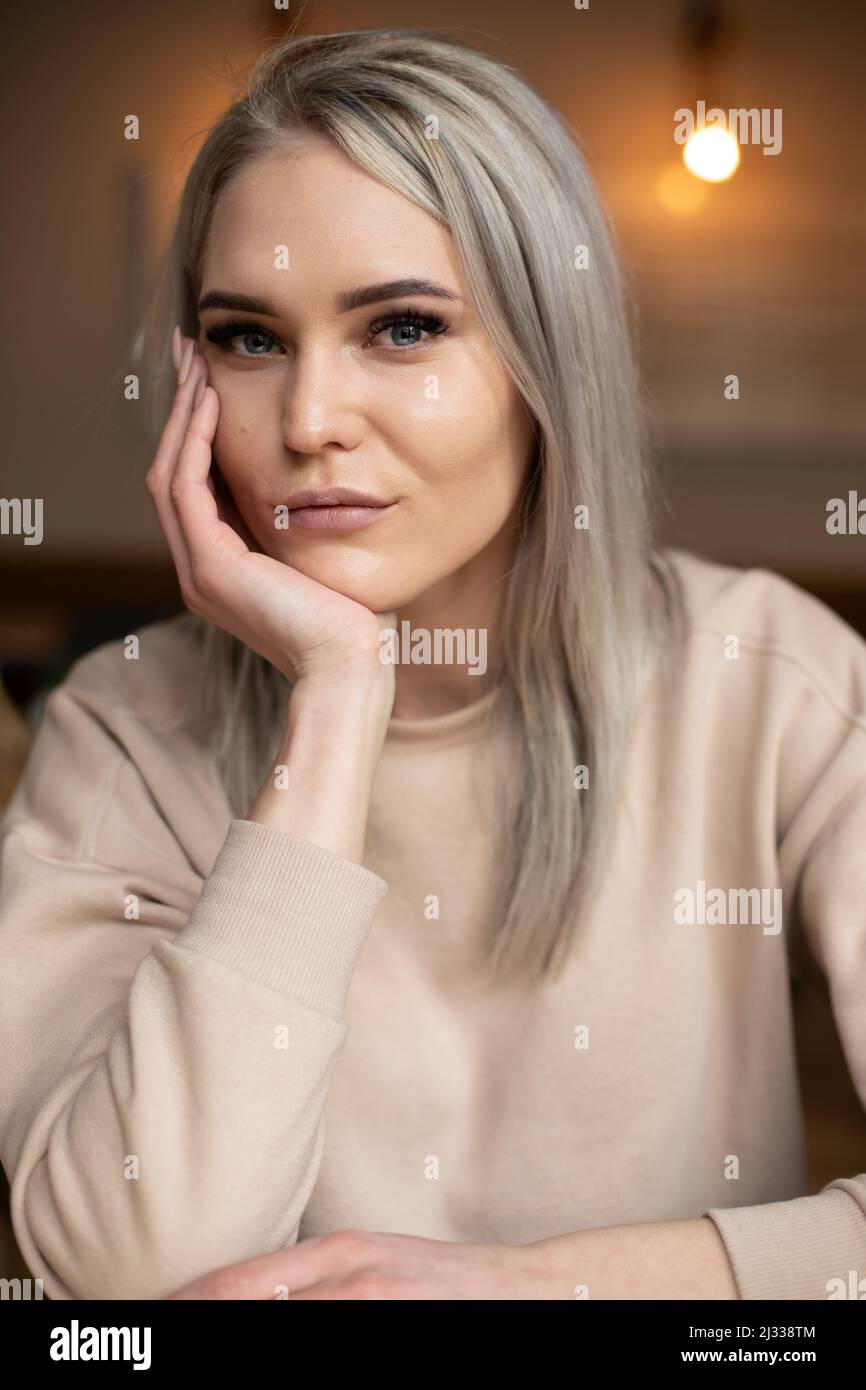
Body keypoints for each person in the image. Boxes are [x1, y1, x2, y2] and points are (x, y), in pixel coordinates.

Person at [1, 27, 864, 1302]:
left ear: (544, 363)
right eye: (248, 338)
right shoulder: (122, 726)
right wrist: (339, 697)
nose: (306, 422)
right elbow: (121, 1279)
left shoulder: (772, 680)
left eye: (400, 328)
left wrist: (547, 1289)